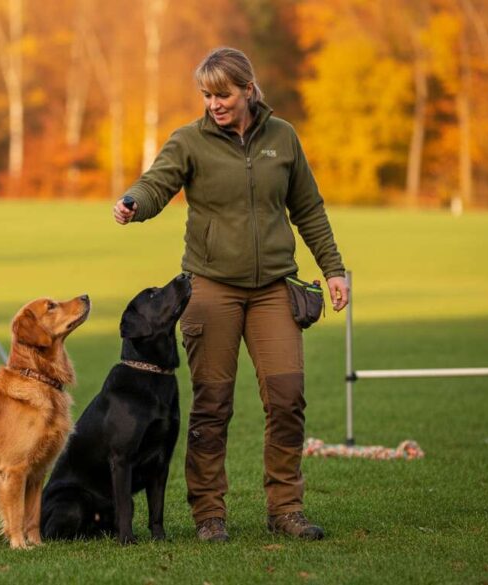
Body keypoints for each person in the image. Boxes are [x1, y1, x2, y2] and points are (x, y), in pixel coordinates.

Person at [112, 47, 348, 542]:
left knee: (287, 399)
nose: (214, 103)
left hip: (272, 291)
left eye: (223, 94)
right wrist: (135, 201)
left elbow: (309, 208)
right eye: (206, 94)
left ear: (248, 89)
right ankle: (208, 514)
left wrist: (334, 269)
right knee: (212, 405)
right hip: (210, 289)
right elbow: (158, 182)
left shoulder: (282, 138)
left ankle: (286, 508)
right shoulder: (189, 141)